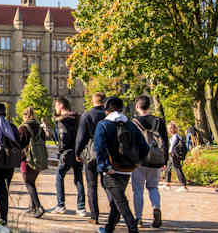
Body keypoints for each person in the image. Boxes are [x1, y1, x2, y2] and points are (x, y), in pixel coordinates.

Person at [94, 96, 149, 233]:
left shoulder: (103, 125)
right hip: (127, 168)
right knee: (116, 201)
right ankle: (108, 229)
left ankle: (132, 227)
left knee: (120, 201)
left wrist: (104, 166)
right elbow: (145, 147)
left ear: (107, 110)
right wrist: (136, 163)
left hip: (112, 169)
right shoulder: (130, 124)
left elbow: (99, 148)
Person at [131, 95, 168, 229]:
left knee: (138, 191)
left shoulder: (134, 122)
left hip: (139, 160)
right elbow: (165, 141)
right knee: (153, 187)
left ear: (137, 107)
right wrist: (165, 160)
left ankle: (138, 218)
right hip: (155, 159)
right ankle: (156, 207)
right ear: (149, 106)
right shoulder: (159, 121)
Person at [75, 92, 107, 225]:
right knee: (108, 185)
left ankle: (95, 216)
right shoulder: (108, 115)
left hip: (91, 153)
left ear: (93, 101)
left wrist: (77, 152)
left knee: (92, 185)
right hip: (106, 153)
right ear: (104, 101)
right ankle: (115, 211)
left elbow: (81, 137)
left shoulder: (87, 115)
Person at [52, 97, 86, 217]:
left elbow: (63, 137)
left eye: (56, 106)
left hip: (66, 152)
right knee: (78, 178)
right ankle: (81, 207)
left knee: (59, 177)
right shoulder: (79, 118)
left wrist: (61, 150)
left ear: (61, 106)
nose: (55, 108)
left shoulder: (62, 120)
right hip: (78, 152)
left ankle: (61, 205)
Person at [19, 107, 48, 218]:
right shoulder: (40, 128)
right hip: (39, 159)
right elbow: (44, 140)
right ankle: (32, 207)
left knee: (28, 183)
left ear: (25, 115)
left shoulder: (23, 128)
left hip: (26, 159)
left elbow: (19, 144)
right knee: (32, 181)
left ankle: (39, 207)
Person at [163, 122, 188, 191]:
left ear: (175, 129)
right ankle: (167, 184)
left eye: (171, 128)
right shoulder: (176, 136)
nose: (170, 130)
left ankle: (184, 186)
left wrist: (168, 153)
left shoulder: (175, 136)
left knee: (177, 169)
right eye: (169, 128)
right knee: (168, 169)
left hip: (174, 155)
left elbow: (172, 146)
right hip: (173, 155)